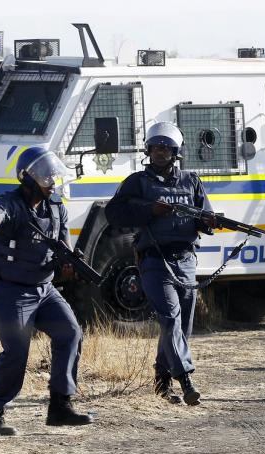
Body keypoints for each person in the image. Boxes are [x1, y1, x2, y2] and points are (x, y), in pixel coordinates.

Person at [0, 146, 91, 435]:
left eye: (53, 176)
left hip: (44, 288)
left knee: (70, 333)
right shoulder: (11, 203)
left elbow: (63, 247)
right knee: (17, 350)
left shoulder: (56, 208)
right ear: (28, 178)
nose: (51, 182)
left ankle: (60, 406)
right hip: (9, 290)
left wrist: (69, 265)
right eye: (46, 176)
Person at [104, 121, 215, 406]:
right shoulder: (138, 182)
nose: (161, 152)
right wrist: (149, 210)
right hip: (155, 260)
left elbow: (207, 215)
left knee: (181, 327)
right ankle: (186, 380)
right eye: (156, 148)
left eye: (166, 148)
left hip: (187, 261)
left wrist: (208, 221)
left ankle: (162, 381)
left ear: (175, 151)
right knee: (169, 319)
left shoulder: (191, 180)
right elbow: (114, 213)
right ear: (148, 150)